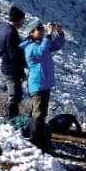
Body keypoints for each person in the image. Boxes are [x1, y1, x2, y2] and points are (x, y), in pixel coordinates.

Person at [21, 18, 66, 150]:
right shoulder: (29, 47)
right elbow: (41, 51)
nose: (41, 31)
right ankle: (36, 140)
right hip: (38, 83)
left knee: (41, 113)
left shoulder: (41, 44)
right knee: (38, 114)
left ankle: (39, 138)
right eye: (38, 29)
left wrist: (60, 33)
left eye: (42, 29)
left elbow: (56, 45)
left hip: (44, 83)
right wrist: (48, 34)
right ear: (31, 33)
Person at [0, 5, 27, 120]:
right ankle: (12, 119)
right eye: (22, 20)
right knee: (14, 96)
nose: (23, 23)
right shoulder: (12, 32)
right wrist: (21, 69)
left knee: (13, 95)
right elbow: (13, 53)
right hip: (12, 69)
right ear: (18, 20)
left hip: (7, 67)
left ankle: (11, 118)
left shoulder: (4, 30)